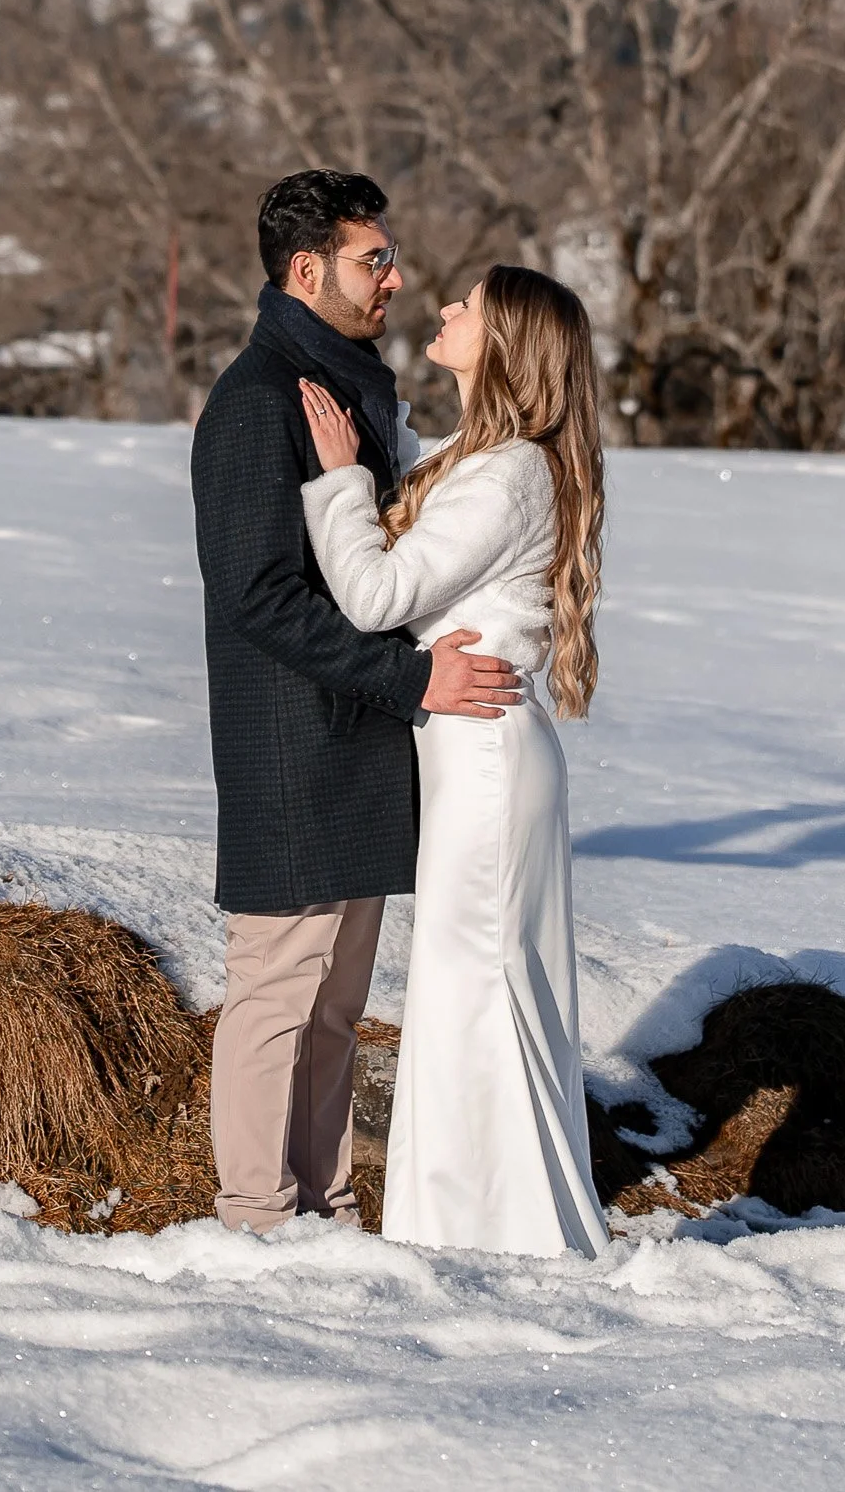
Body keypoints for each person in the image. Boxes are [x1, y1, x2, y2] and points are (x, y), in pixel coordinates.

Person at [191, 170, 525, 1234]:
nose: (394, 277)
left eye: (388, 256)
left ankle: (324, 1209)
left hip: (360, 747)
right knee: (273, 1000)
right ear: (304, 271)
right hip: (293, 751)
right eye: (370, 259)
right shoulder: (257, 403)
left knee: (333, 1009)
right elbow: (256, 597)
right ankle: (252, 1217)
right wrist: (410, 680)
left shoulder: (356, 389)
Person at [299, 262, 609, 1257]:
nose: (442, 308)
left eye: (466, 306)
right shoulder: (480, 460)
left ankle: (494, 1236)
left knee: (471, 987)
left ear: (507, 341)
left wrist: (339, 478)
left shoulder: (510, 471)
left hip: (483, 759)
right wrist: (375, 434)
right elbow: (422, 471)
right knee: (474, 986)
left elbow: (377, 598)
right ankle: (485, 1224)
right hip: (477, 754)